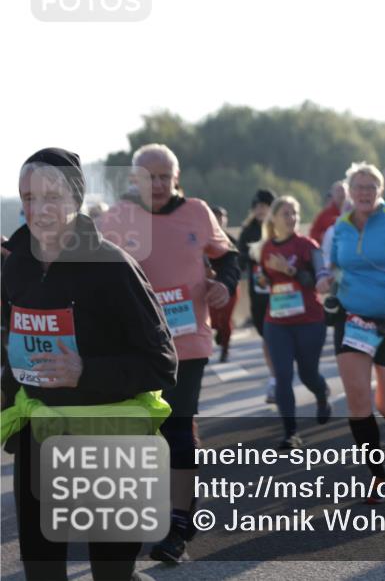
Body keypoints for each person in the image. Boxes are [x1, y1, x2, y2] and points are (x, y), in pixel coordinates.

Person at [2, 148, 177, 581]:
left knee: (111, 572)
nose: (38, 209)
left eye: (51, 196)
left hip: (108, 437)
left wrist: (86, 372)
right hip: (40, 436)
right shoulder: (15, 266)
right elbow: (11, 347)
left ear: (76, 199)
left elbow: (162, 363)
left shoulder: (113, 267)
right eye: (28, 197)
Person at [98, 143, 240, 564]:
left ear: (176, 178)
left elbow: (228, 256)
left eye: (165, 177)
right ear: (134, 179)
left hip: (188, 339)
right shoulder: (117, 218)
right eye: (149, 177)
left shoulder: (197, 211)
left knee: (176, 426)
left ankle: (179, 526)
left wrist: (224, 284)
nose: (157, 184)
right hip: (135, 345)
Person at [318, 163, 385, 497]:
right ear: (349, 190)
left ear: (381, 190)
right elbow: (334, 266)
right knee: (358, 399)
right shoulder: (340, 226)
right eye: (358, 186)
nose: (364, 192)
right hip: (354, 320)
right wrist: (325, 279)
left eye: (371, 186)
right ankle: (377, 475)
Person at [254, 196, 331, 450]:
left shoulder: (307, 245)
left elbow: (316, 280)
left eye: (294, 213)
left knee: (308, 374)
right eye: (286, 214)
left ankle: (321, 393)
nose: (291, 218)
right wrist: (263, 279)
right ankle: (291, 433)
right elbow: (264, 279)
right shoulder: (266, 248)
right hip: (277, 322)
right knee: (282, 376)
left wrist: (289, 270)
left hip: (309, 320)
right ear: (274, 218)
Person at [237, 189, 278, 400]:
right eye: (258, 207)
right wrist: (252, 255)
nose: (261, 210)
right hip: (258, 290)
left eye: (265, 206)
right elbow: (239, 257)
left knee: (281, 334)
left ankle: (279, 375)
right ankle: (274, 377)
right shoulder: (248, 230)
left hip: (281, 291)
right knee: (266, 334)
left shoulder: (280, 227)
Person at [208, 205, 240, 362]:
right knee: (213, 321)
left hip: (230, 286)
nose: (220, 220)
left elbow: (238, 263)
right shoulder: (204, 240)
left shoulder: (231, 241)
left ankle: (225, 348)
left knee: (226, 320)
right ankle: (220, 332)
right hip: (210, 286)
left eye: (222, 217)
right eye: (216, 216)